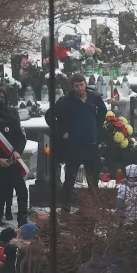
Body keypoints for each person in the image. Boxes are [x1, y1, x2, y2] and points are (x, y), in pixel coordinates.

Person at [49, 74, 107, 205]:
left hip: (91, 145)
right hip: (74, 147)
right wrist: (62, 132)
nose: (80, 88)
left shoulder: (94, 97)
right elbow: (50, 117)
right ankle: (65, 210)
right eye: (77, 86)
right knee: (70, 179)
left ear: (85, 84)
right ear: (72, 87)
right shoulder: (66, 101)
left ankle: (93, 208)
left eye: (82, 85)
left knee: (93, 180)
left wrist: (96, 129)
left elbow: (102, 112)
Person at [0, 90, 29, 226]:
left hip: (13, 162)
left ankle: (22, 219)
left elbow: (21, 138)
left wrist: (17, 151)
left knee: (22, 192)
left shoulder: (12, 121)